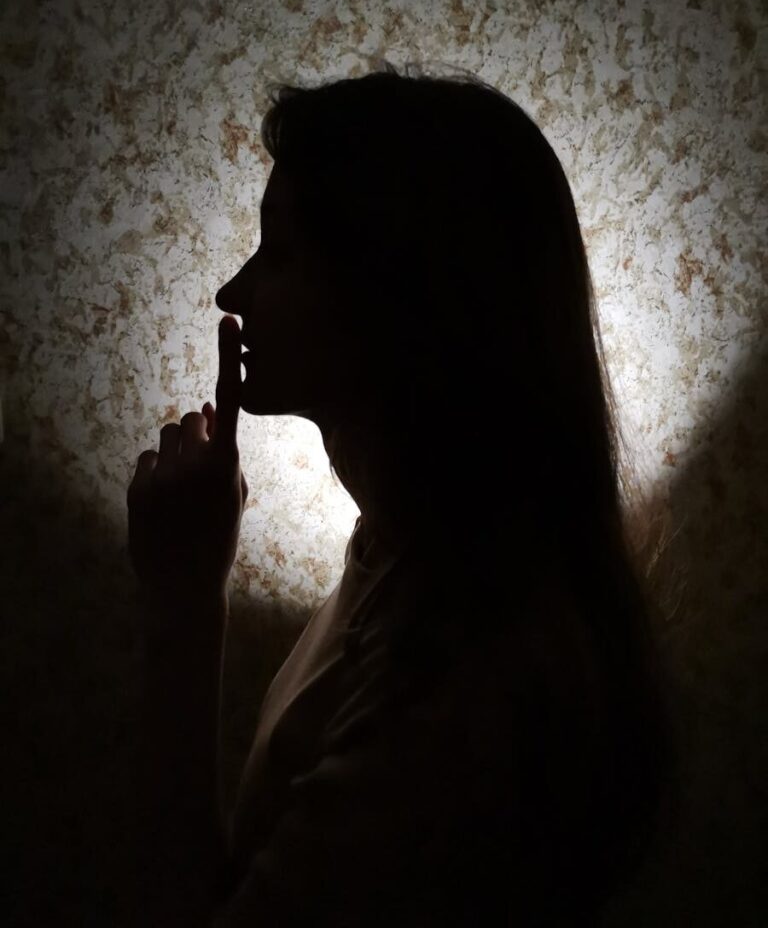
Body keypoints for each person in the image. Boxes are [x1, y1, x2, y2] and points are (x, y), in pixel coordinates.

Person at [210, 61, 677, 925]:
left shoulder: (458, 684)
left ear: (394, 293)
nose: (232, 294)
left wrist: (179, 607)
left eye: (280, 252)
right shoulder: (398, 551)